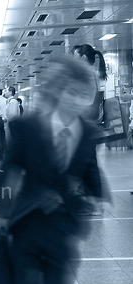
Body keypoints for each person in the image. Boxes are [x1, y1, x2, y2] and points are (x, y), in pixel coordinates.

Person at [0, 56, 108, 284]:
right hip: (26, 217)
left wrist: (98, 195)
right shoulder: (27, 127)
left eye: (84, 95)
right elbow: (7, 169)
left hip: (62, 219)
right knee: (22, 277)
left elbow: (89, 168)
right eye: (71, 92)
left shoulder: (88, 132)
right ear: (56, 91)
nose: (77, 101)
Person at [72, 44, 108, 215]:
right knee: (86, 162)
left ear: (84, 58)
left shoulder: (88, 75)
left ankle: (96, 204)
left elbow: (86, 101)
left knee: (90, 163)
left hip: (86, 122)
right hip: (85, 122)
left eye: (76, 56)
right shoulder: (90, 74)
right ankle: (90, 199)